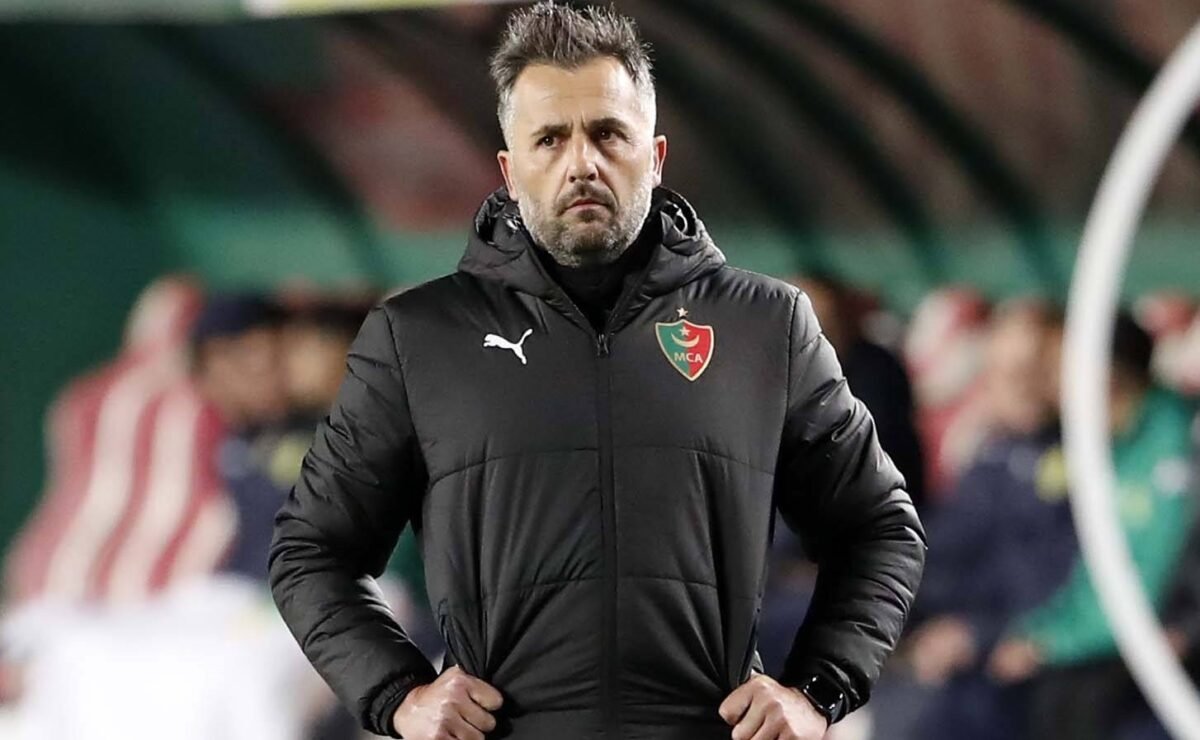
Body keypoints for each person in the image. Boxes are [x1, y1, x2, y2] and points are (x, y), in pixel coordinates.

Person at [269, 5, 926, 740]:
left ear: (656, 156)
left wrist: (816, 691)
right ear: (509, 170)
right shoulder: (419, 337)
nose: (582, 162)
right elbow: (311, 550)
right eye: (550, 138)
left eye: (608, 133)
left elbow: (879, 529)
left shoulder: (764, 326)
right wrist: (399, 693)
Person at [988, 312, 1196, 740]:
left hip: (1152, 645)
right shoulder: (1095, 447)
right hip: (1099, 642)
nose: (1050, 387)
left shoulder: (1178, 441)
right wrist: (1042, 634)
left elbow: (1147, 580)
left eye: (1057, 371)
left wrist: (1053, 642)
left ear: (1105, 375)